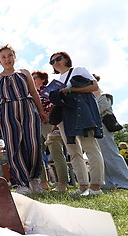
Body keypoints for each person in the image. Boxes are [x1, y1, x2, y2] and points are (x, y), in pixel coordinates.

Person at [0, 44, 48, 194]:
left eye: (10, 55)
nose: (7, 59)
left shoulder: (24, 73)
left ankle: (34, 179)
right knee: (14, 146)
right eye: (3, 57)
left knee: (33, 143)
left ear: (15, 57)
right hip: (8, 111)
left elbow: (34, 93)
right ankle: (22, 183)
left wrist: (41, 111)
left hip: (28, 108)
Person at [49, 51, 104, 196]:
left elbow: (94, 86)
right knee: (73, 152)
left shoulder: (78, 70)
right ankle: (83, 186)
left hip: (81, 112)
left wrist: (71, 89)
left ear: (66, 58)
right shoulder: (59, 78)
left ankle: (96, 186)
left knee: (90, 147)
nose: (56, 62)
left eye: (58, 59)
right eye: (52, 61)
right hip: (66, 115)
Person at [91, 74, 128, 190]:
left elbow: (98, 111)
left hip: (103, 127)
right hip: (95, 128)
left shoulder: (104, 96)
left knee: (111, 155)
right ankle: (108, 183)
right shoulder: (92, 97)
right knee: (102, 157)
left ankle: (126, 183)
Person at [32, 70, 70, 192]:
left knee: (56, 153)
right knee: (37, 156)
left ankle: (62, 183)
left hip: (49, 124)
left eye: (35, 77)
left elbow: (56, 106)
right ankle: (43, 183)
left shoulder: (50, 90)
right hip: (36, 125)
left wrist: (53, 122)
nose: (32, 79)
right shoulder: (31, 94)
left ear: (43, 79)